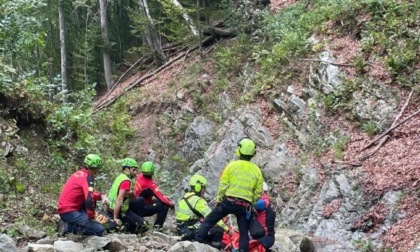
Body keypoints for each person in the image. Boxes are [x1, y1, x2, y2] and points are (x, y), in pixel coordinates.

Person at [196, 137, 263, 252]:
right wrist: (251, 201)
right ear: (253, 153)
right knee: (243, 233)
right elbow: (258, 192)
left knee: (209, 220)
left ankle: (197, 242)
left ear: (239, 150)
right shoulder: (257, 170)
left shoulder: (231, 166)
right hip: (244, 206)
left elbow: (223, 184)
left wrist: (219, 198)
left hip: (229, 202)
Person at [175, 174, 230, 249]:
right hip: (189, 232)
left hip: (182, 230)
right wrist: (227, 229)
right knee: (218, 230)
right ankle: (215, 249)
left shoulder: (186, 196)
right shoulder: (198, 201)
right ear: (198, 187)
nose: (204, 190)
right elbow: (213, 217)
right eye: (204, 188)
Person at [57, 154, 106, 236]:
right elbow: (89, 199)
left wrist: (101, 196)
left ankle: (70, 224)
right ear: (96, 169)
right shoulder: (88, 177)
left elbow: (88, 193)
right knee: (99, 230)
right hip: (69, 211)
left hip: (66, 208)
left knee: (86, 204)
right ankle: (67, 227)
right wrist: (91, 216)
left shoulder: (80, 173)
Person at [107, 158, 146, 234]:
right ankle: (128, 227)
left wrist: (131, 193)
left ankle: (135, 219)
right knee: (144, 226)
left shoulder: (120, 177)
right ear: (127, 169)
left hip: (112, 208)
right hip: (120, 211)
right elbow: (119, 199)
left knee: (140, 200)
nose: (135, 173)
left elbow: (133, 198)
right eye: (134, 170)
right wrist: (115, 218)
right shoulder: (126, 181)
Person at [134, 161, 174, 229]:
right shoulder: (149, 185)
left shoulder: (140, 176)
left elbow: (157, 193)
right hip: (142, 208)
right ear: (152, 172)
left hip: (136, 204)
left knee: (160, 201)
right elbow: (161, 198)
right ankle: (157, 227)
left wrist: (163, 197)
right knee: (164, 205)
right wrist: (171, 204)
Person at [252, 182, 276, 251]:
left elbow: (257, 204)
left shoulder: (263, 202)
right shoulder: (267, 201)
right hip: (265, 236)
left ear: (262, 191)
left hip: (264, 237)